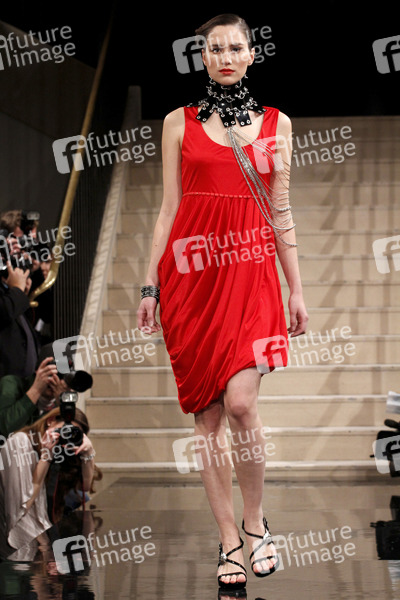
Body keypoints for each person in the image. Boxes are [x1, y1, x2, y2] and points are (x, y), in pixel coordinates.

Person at [136, 13, 308, 591]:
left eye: (236, 47)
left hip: (251, 275)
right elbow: (168, 208)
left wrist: (296, 288)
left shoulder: (278, 123)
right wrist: (150, 286)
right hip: (191, 280)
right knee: (207, 417)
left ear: (252, 54)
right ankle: (228, 538)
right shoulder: (177, 123)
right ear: (202, 57)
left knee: (239, 404)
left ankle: (256, 521)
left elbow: (281, 210)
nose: (227, 57)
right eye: (216, 49)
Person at [0, 406, 97, 559]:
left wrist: (88, 454)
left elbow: (85, 487)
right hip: (15, 542)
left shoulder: (61, 449)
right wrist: (46, 458)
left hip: (42, 534)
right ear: (50, 421)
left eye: (72, 433)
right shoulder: (19, 443)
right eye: (64, 430)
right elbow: (19, 510)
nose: (66, 436)